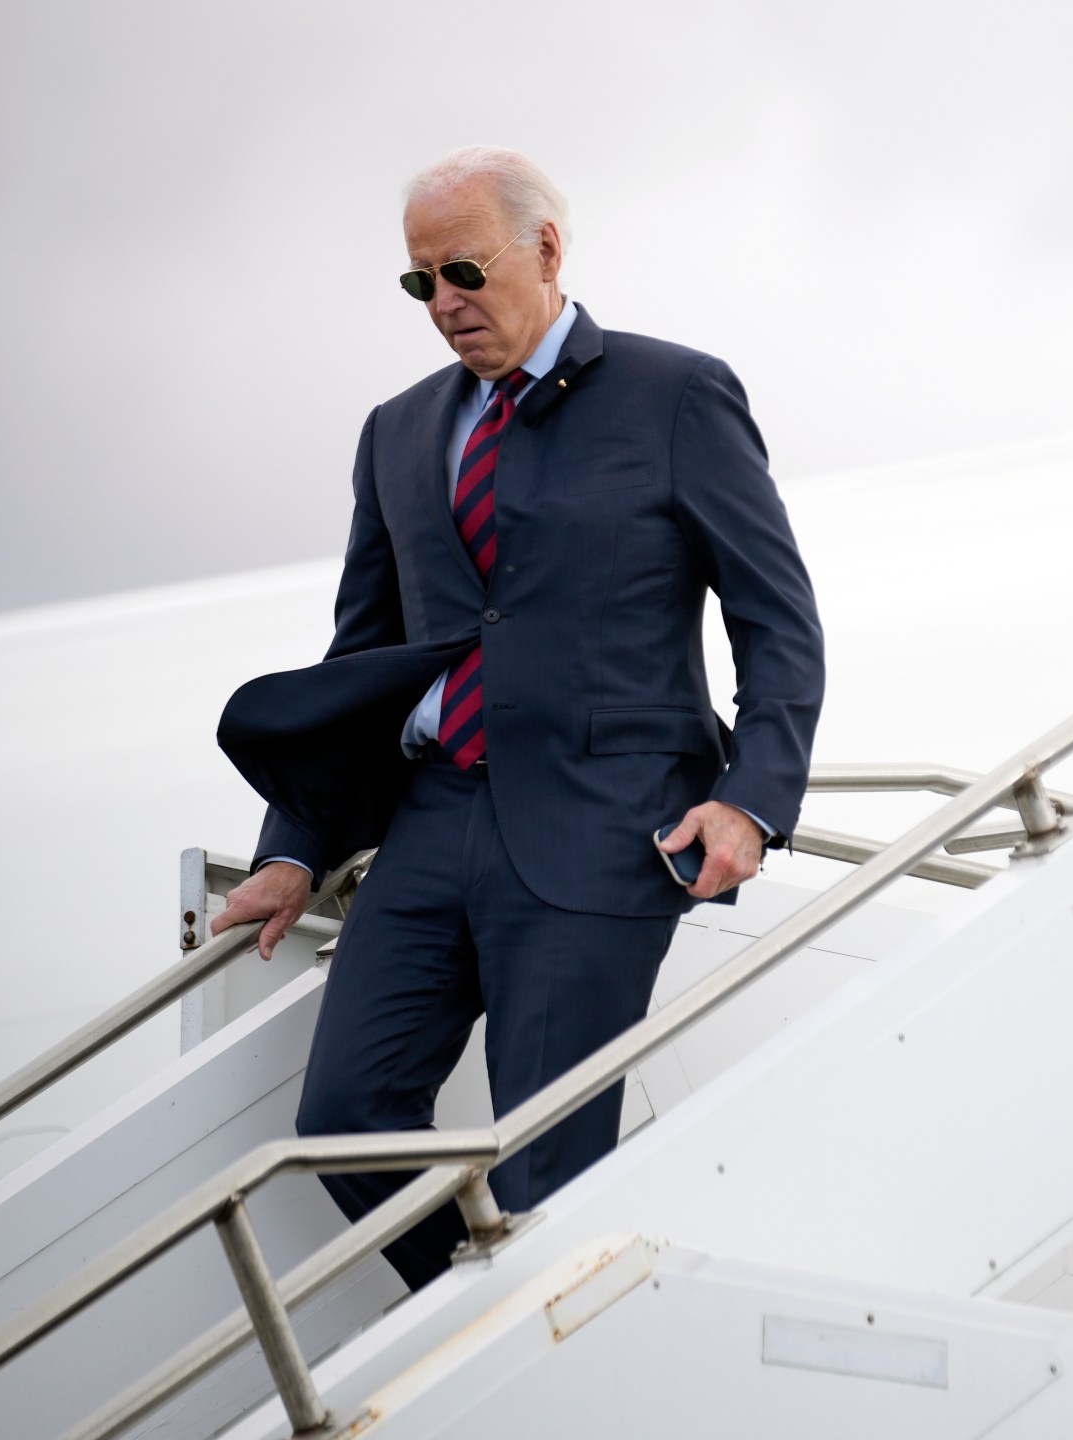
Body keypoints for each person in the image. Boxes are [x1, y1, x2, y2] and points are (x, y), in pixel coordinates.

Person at [209, 147, 823, 1287]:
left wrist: (753, 799)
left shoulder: (677, 394)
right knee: (344, 1120)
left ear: (545, 250)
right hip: (431, 822)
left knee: (548, 1164)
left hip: (604, 825)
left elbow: (776, 617)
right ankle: (486, 1338)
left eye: (462, 270)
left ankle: (511, 1368)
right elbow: (365, 662)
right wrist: (295, 847)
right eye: (419, 284)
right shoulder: (397, 432)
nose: (444, 303)